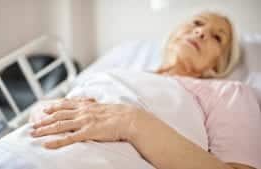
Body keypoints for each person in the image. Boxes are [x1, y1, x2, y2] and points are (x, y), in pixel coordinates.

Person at [30, 11, 261, 169]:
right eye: (197, 23)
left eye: (217, 37)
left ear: (217, 65)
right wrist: (42, 110)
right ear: (174, 35)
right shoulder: (117, 71)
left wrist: (132, 123)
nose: (201, 33)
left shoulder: (229, 93)